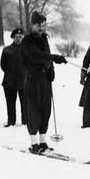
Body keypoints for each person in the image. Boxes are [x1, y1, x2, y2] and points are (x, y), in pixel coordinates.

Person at [20, 11, 68, 154]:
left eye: (44, 25)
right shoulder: (27, 41)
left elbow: (46, 55)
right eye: (39, 25)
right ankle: (34, 143)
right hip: (32, 80)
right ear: (33, 25)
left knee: (45, 110)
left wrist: (51, 69)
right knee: (34, 110)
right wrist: (53, 58)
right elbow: (37, 56)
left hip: (44, 80)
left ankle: (43, 142)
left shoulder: (44, 39)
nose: (42, 28)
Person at [0, 28, 27, 127]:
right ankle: (11, 121)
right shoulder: (7, 50)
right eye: (16, 37)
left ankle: (26, 121)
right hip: (9, 81)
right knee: (10, 103)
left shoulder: (26, 50)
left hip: (23, 82)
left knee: (25, 104)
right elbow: (3, 65)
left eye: (20, 37)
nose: (18, 39)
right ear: (12, 38)